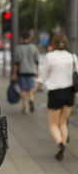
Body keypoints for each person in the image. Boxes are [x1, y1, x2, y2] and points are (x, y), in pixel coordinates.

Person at [33, 33, 78, 161]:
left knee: (53, 124)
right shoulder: (73, 57)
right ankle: (63, 145)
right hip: (69, 93)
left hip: (55, 93)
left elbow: (44, 76)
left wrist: (35, 89)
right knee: (63, 122)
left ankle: (59, 145)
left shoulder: (50, 57)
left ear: (54, 43)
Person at [11, 31, 39, 114]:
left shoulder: (18, 48)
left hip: (21, 71)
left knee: (22, 89)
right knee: (31, 88)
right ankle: (31, 99)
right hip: (31, 71)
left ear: (22, 38)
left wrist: (14, 74)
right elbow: (37, 61)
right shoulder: (34, 47)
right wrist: (37, 71)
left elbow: (16, 63)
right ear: (29, 38)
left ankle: (25, 107)